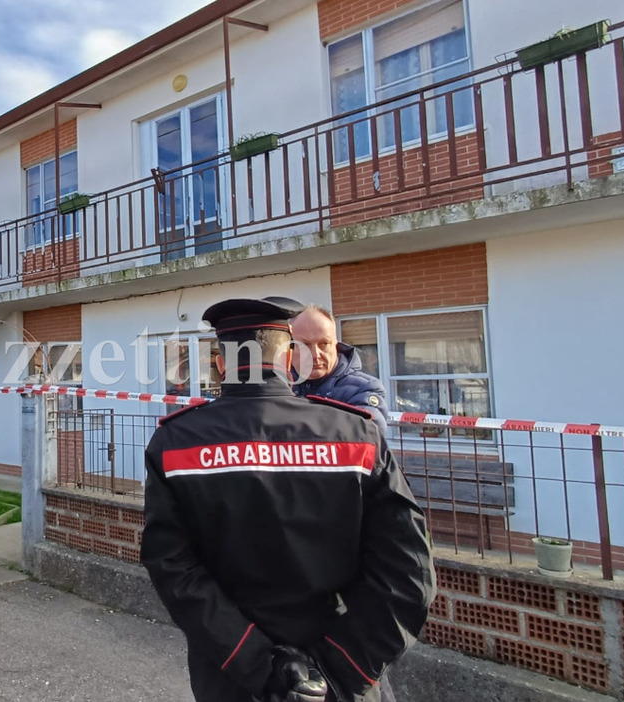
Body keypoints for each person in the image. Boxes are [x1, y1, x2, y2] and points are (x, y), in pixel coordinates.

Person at [141, 298, 434, 702]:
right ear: (291, 356)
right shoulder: (355, 434)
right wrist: (338, 669)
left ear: (220, 362)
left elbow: (174, 569)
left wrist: (259, 665)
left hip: (234, 679)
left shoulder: (175, 443)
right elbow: (409, 572)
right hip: (341, 680)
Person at [291, 305, 390, 435]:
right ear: (289, 349)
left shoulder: (365, 388)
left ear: (335, 345)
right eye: (304, 345)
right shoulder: (274, 386)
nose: (315, 354)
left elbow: (366, 436)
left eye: (324, 344)